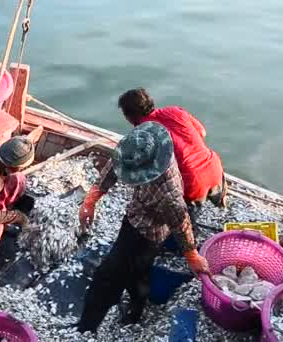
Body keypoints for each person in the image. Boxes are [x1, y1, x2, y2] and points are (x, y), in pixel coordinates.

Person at [77, 122, 209, 333]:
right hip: (135, 218)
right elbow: (115, 163)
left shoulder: (168, 192)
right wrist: (90, 200)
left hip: (146, 234)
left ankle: (86, 328)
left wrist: (192, 255)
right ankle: (136, 310)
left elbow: (180, 220)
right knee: (138, 273)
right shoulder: (148, 143)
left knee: (107, 278)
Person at [107, 88, 227, 222]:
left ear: (129, 116)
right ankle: (221, 203)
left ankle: (189, 228)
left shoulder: (143, 135)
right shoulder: (175, 111)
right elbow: (202, 132)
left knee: (181, 221)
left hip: (192, 185)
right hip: (215, 169)